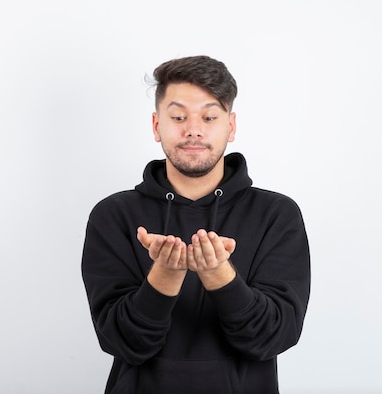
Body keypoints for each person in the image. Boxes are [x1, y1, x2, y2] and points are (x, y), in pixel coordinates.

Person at [81, 55, 311, 394]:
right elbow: (123, 342)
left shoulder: (276, 214)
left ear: (230, 127)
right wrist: (165, 275)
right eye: (178, 117)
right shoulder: (113, 215)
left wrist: (219, 273)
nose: (193, 129)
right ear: (157, 125)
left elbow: (272, 338)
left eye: (209, 116)